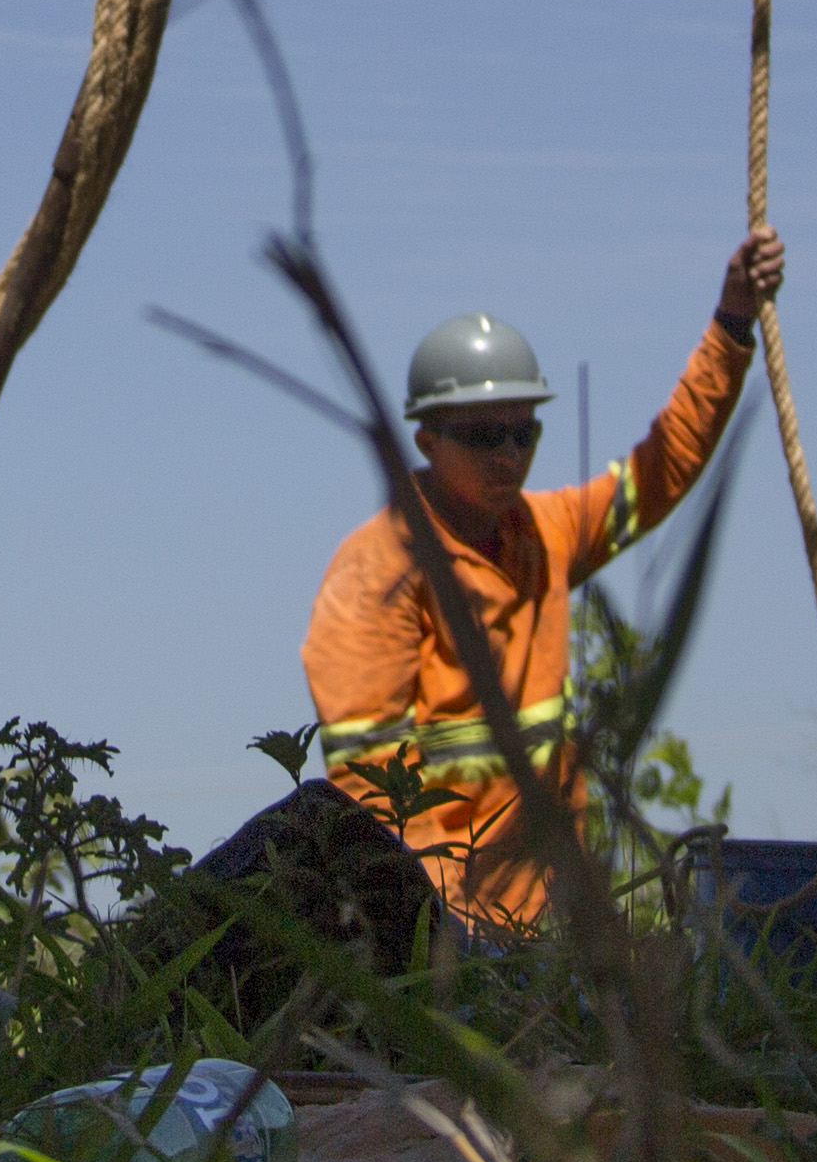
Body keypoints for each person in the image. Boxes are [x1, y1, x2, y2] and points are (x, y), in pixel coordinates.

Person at [300, 226, 784, 933]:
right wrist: (452, 934)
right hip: (445, 936)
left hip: (553, 928)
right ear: (427, 438)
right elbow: (375, 799)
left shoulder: (545, 533)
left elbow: (661, 469)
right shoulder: (376, 574)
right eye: (483, 436)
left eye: (523, 434)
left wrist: (732, 323)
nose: (508, 456)